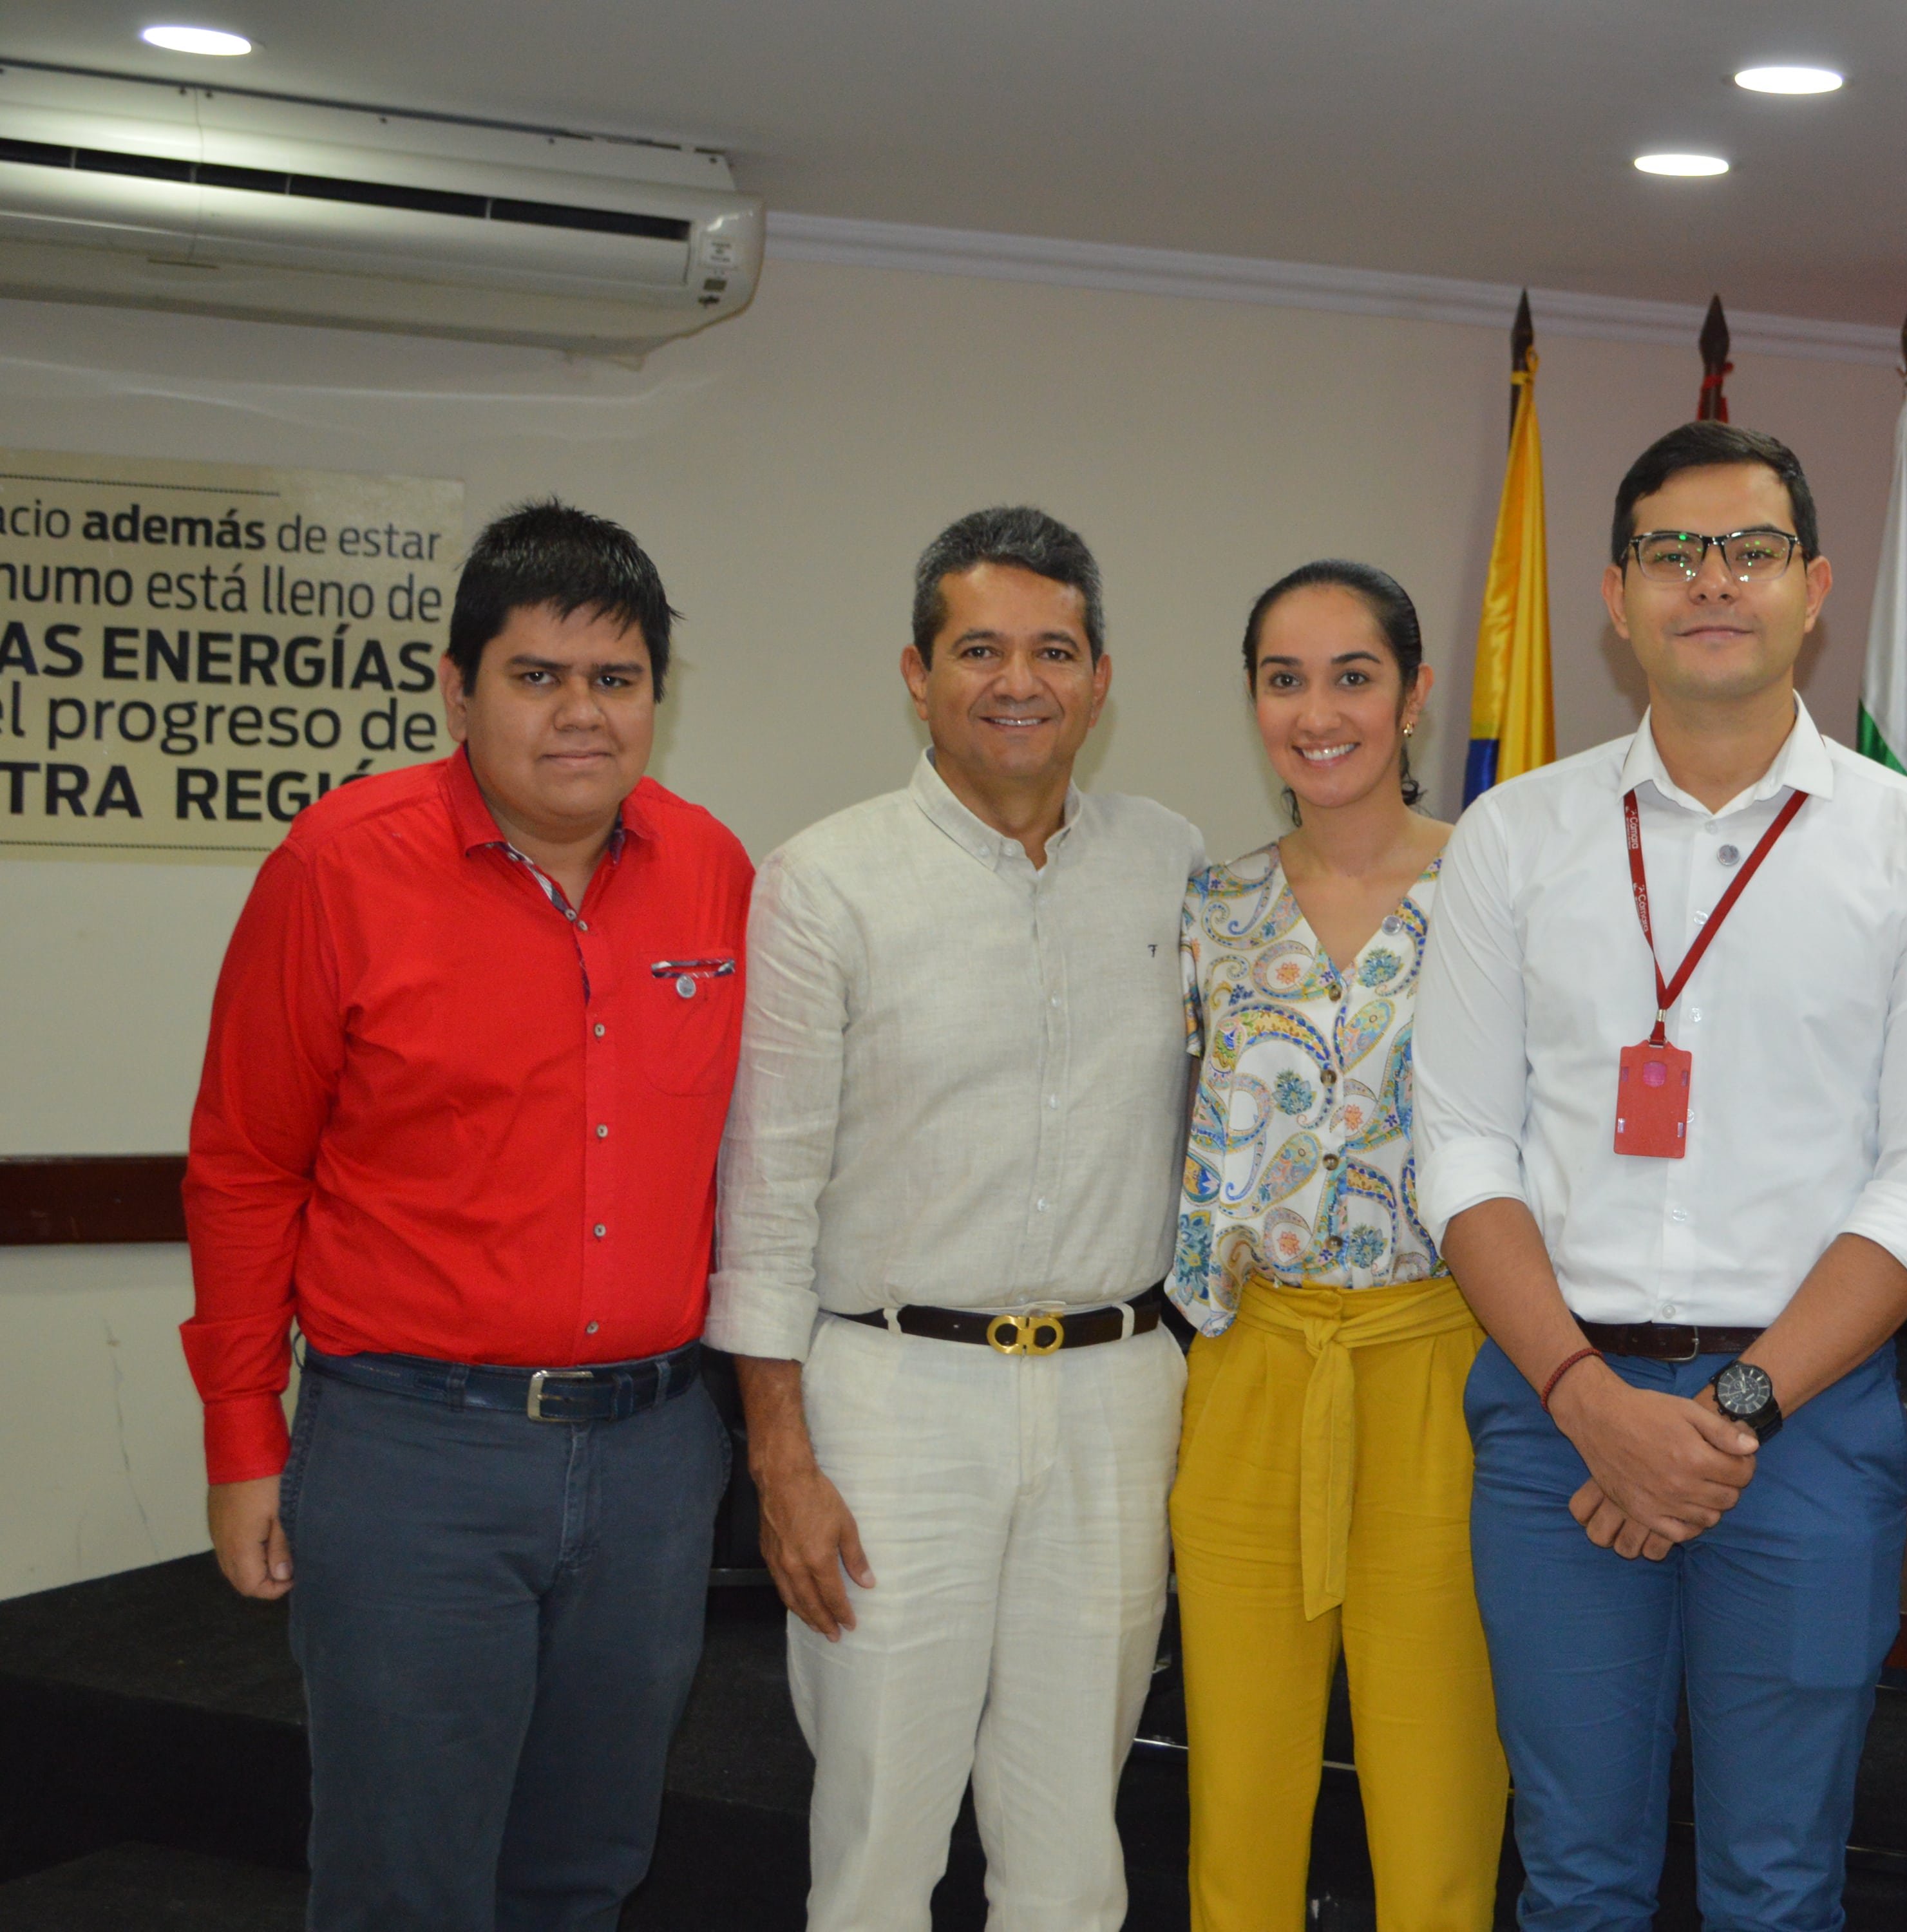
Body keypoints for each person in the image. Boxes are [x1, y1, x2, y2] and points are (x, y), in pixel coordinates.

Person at [1412, 424, 1907, 1932]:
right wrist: (1591, 1404)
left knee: (1777, 1879)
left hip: (1801, 1433)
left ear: (1814, 588)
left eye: (1749, 551)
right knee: (1576, 1870)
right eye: (1675, 554)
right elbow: (1464, 1149)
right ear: (1617, 598)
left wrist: (1725, 1419)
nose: (1713, 582)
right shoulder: (1511, 837)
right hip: (1559, 1414)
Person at [180, 500, 752, 1932]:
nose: (579, 715)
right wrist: (246, 1441)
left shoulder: (715, 873)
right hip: (410, 1458)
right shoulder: (337, 866)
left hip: (655, 1462)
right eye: (536, 676)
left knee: (588, 1866)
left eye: (615, 681)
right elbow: (247, 1168)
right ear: (457, 685)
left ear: (656, 702)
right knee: (404, 1883)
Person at [706, 506, 1201, 1932]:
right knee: (878, 1840)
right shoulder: (826, 879)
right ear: (915, 675)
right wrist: (780, 1460)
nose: (1018, 681)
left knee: (1073, 1844)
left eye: (1055, 649)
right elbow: (769, 1190)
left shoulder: (1173, 864)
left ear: (1103, 679)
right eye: (978, 648)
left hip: (1117, 1396)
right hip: (893, 1399)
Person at [1171, 561, 1508, 1932]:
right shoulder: (1208, 907)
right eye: (1283, 678)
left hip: (1443, 1370)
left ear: (1416, 694)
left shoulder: (1499, 892)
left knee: (1437, 1797)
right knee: (1238, 1800)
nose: (1318, 712)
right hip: (1251, 1372)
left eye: (1352, 676)